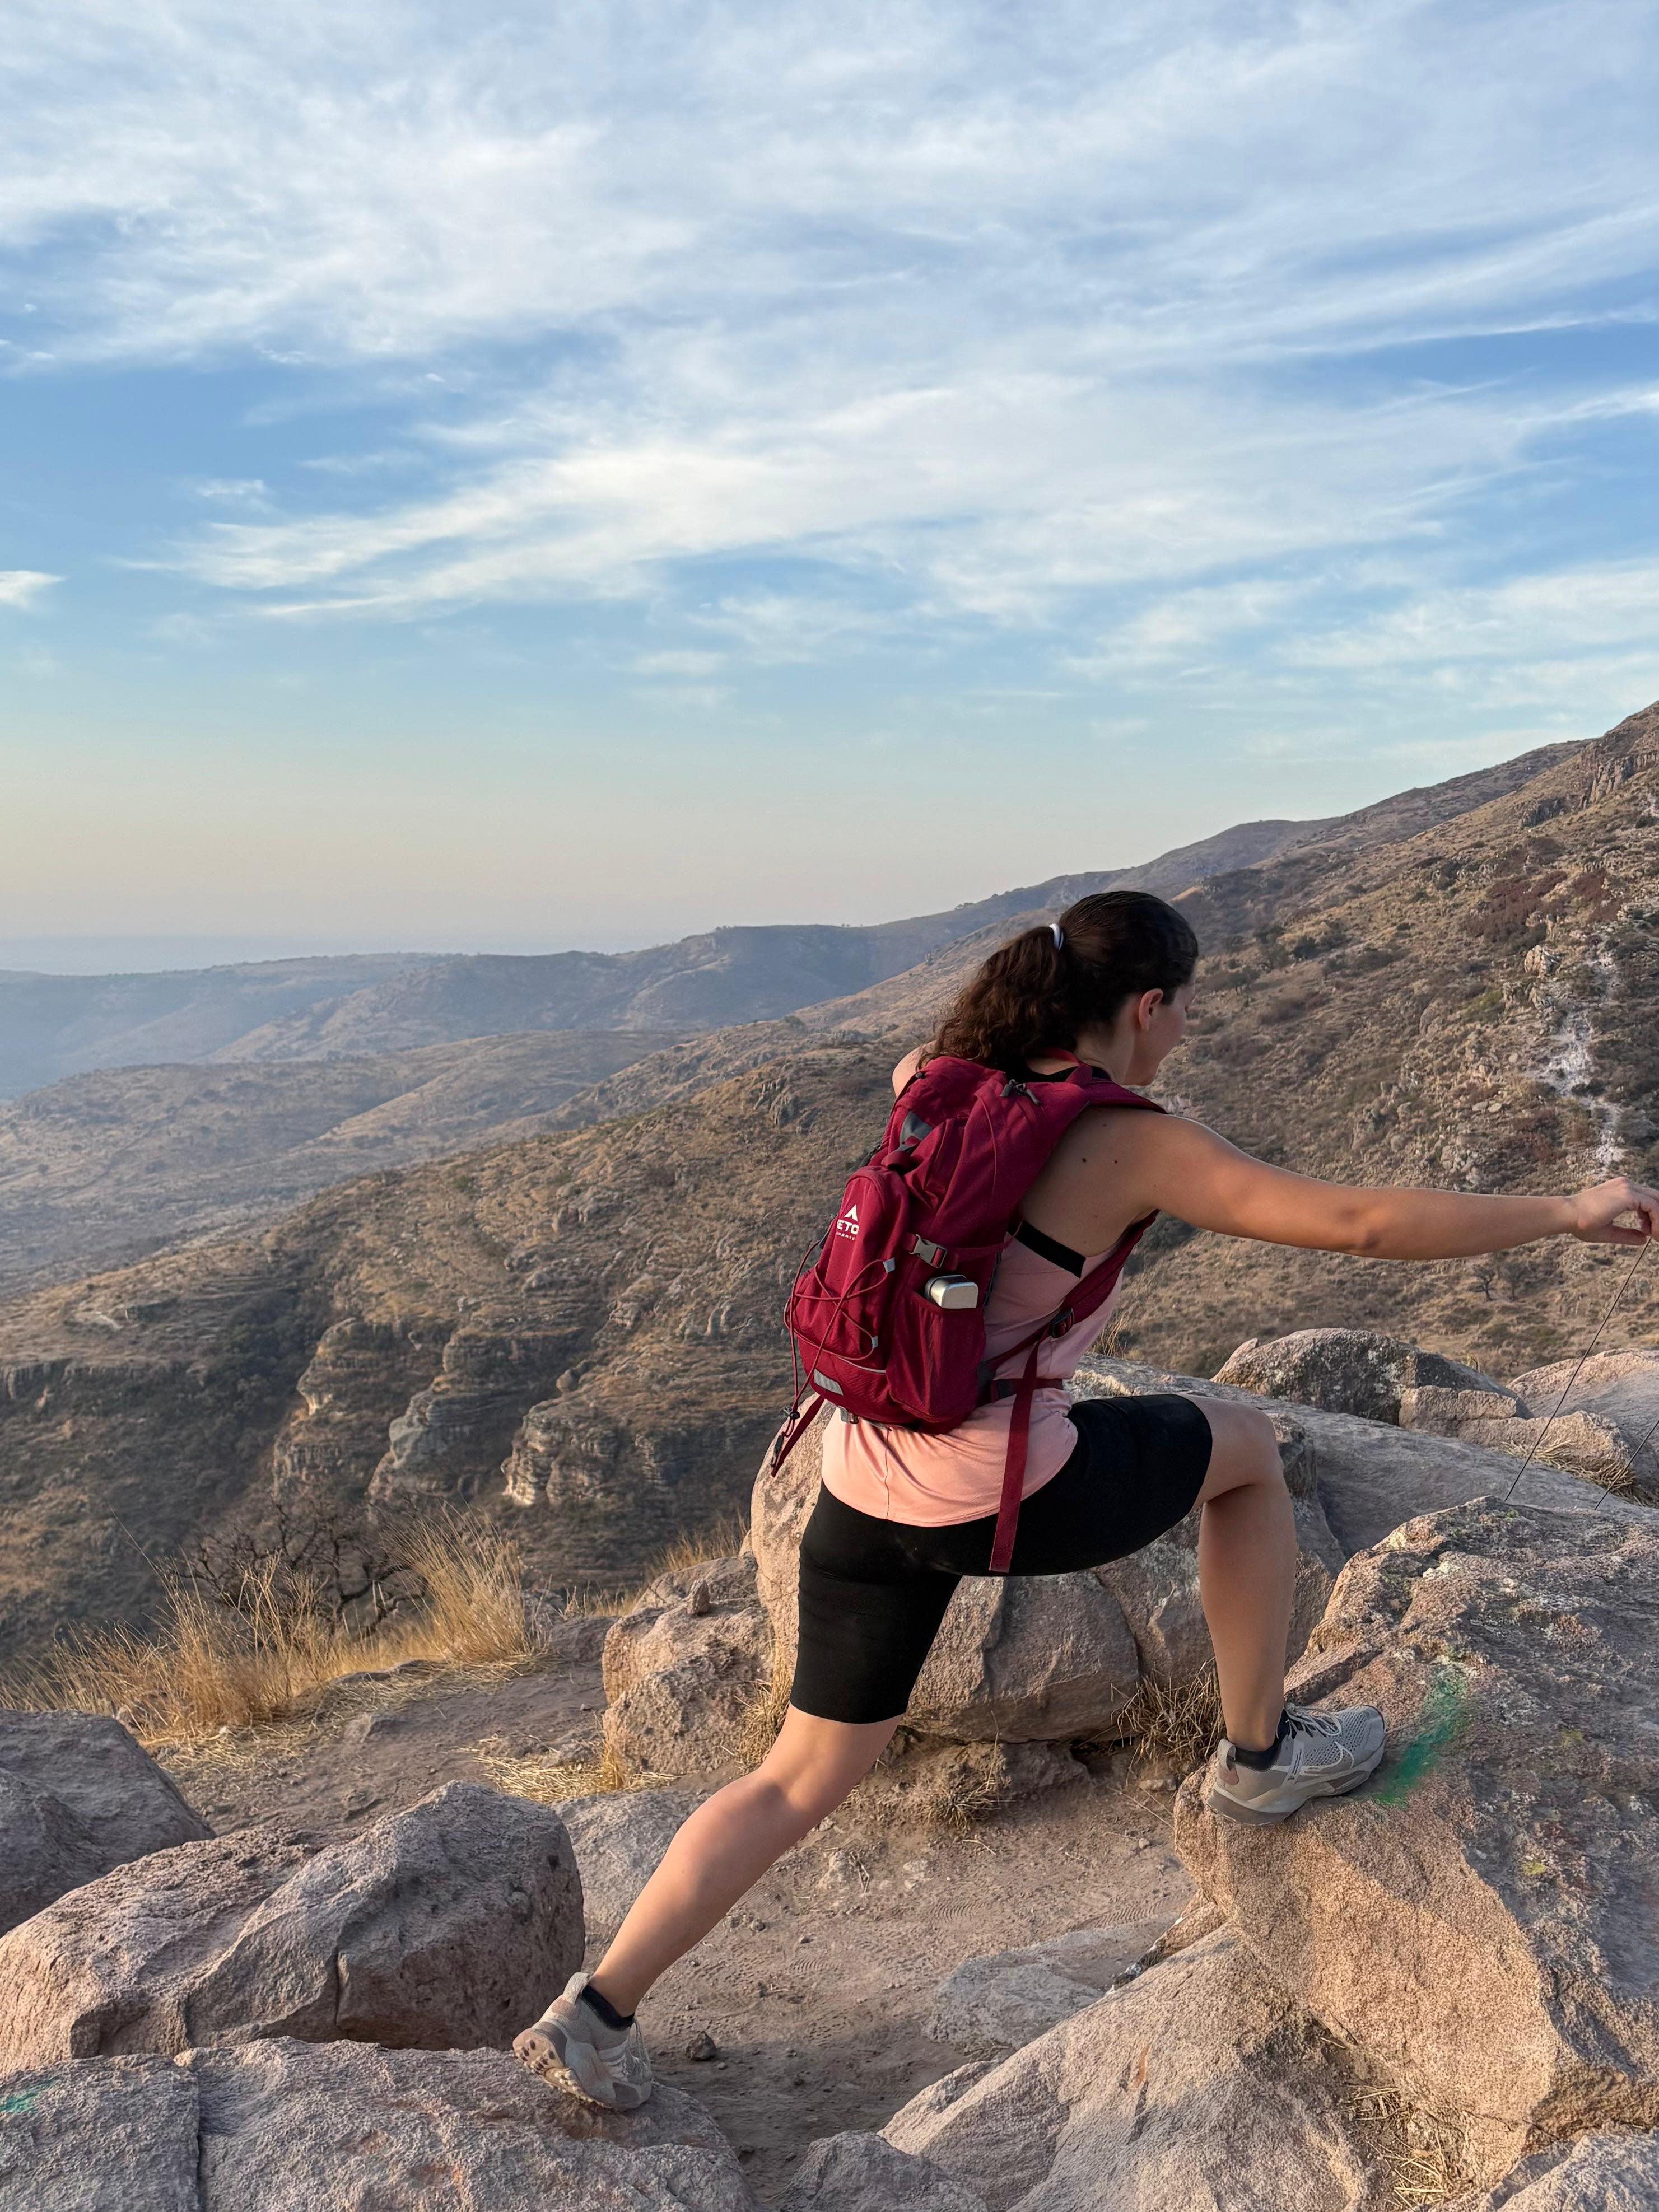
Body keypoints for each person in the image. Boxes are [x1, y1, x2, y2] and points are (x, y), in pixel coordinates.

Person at [514, 889, 1659, 2111]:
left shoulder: (936, 1080)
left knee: (796, 1777)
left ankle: (597, 2012)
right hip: (1001, 1489)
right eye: (1183, 1010)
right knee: (1246, 1450)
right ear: (1146, 1005)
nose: (1186, 1031)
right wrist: (1565, 1211)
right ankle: (1258, 1752)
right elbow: (1360, 1224)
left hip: (860, 1477)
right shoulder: (1130, 1143)